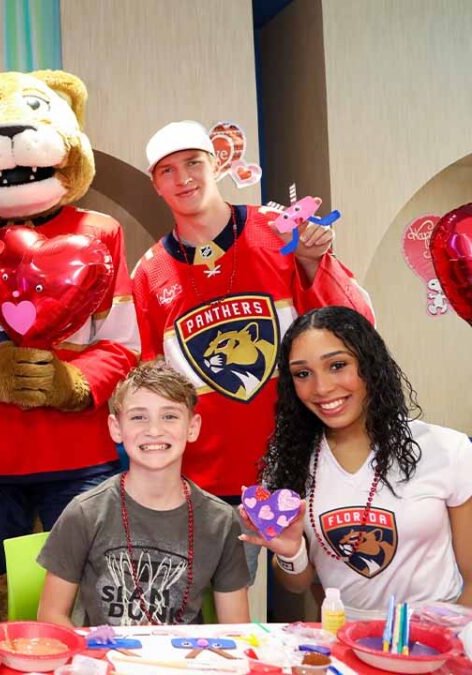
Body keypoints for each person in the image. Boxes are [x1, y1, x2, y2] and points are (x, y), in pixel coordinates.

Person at [0, 70, 138, 622]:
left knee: (91, 591)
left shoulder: (101, 230)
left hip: (81, 454)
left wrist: (72, 381)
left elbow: (122, 344)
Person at [131, 120, 373, 506]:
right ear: (155, 184)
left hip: (305, 454)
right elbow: (149, 381)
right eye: (167, 170)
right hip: (208, 477)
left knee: (312, 566)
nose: (183, 178)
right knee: (227, 569)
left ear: (216, 165)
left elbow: (356, 325)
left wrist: (313, 263)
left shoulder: (277, 229)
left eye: (193, 163)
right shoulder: (148, 272)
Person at [244, 306, 472, 619]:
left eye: (337, 365)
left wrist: (448, 643)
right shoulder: (289, 462)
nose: (322, 388)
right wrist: (291, 551)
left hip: (434, 641)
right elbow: (296, 585)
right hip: (345, 643)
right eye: (302, 374)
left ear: (369, 364)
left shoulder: (447, 450)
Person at [36, 361, 250, 626]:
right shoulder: (85, 511)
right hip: (104, 663)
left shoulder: (221, 521)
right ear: (116, 428)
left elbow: (236, 629)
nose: (154, 430)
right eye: (139, 417)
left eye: (169, 416)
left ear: (192, 427)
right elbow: (50, 616)